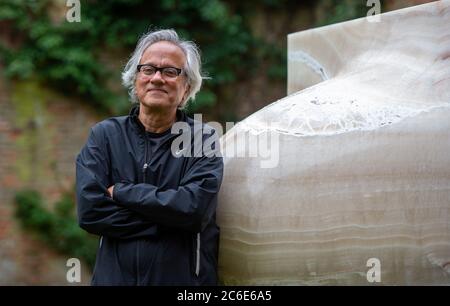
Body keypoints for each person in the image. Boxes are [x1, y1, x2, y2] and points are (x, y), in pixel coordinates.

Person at [76, 29, 224, 285]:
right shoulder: (104, 136)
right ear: (136, 79)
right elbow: (91, 212)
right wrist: (170, 222)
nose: (157, 78)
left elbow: (195, 211)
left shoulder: (203, 139)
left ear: (186, 87)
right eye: (148, 69)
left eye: (170, 72)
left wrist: (123, 192)